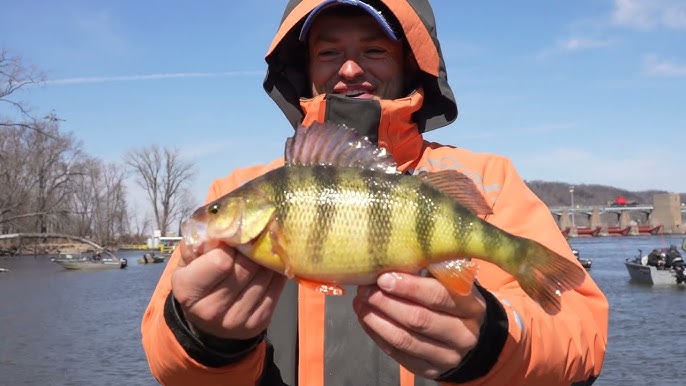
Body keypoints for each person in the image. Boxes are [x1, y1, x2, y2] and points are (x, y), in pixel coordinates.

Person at [141, 1, 608, 385]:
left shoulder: (490, 179)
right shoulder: (236, 187)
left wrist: (493, 344)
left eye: (374, 50)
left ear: (409, 61)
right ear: (304, 69)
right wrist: (204, 338)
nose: (349, 68)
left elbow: (581, 336)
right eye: (327, 53)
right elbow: (166, 365)